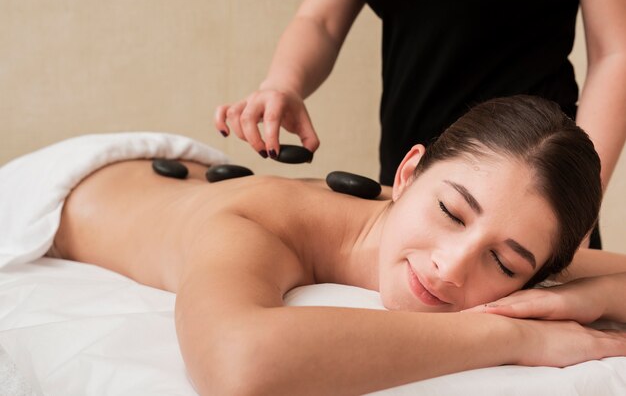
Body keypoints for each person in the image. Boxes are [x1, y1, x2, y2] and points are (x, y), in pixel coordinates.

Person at [52, 96, 626, 395]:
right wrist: (513, 335)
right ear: (406, 174)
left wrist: (584, 300)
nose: (451, 266)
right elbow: (239, 367)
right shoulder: (256, 225)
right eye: (450, 211)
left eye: (503, 262)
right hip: (69, 185)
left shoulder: (493, 228)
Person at [214, 0, 626, 249]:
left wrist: (578, 210)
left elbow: (616, 52)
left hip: (529, 199)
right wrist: (283, 84)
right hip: (412, 186)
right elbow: (318, 19)